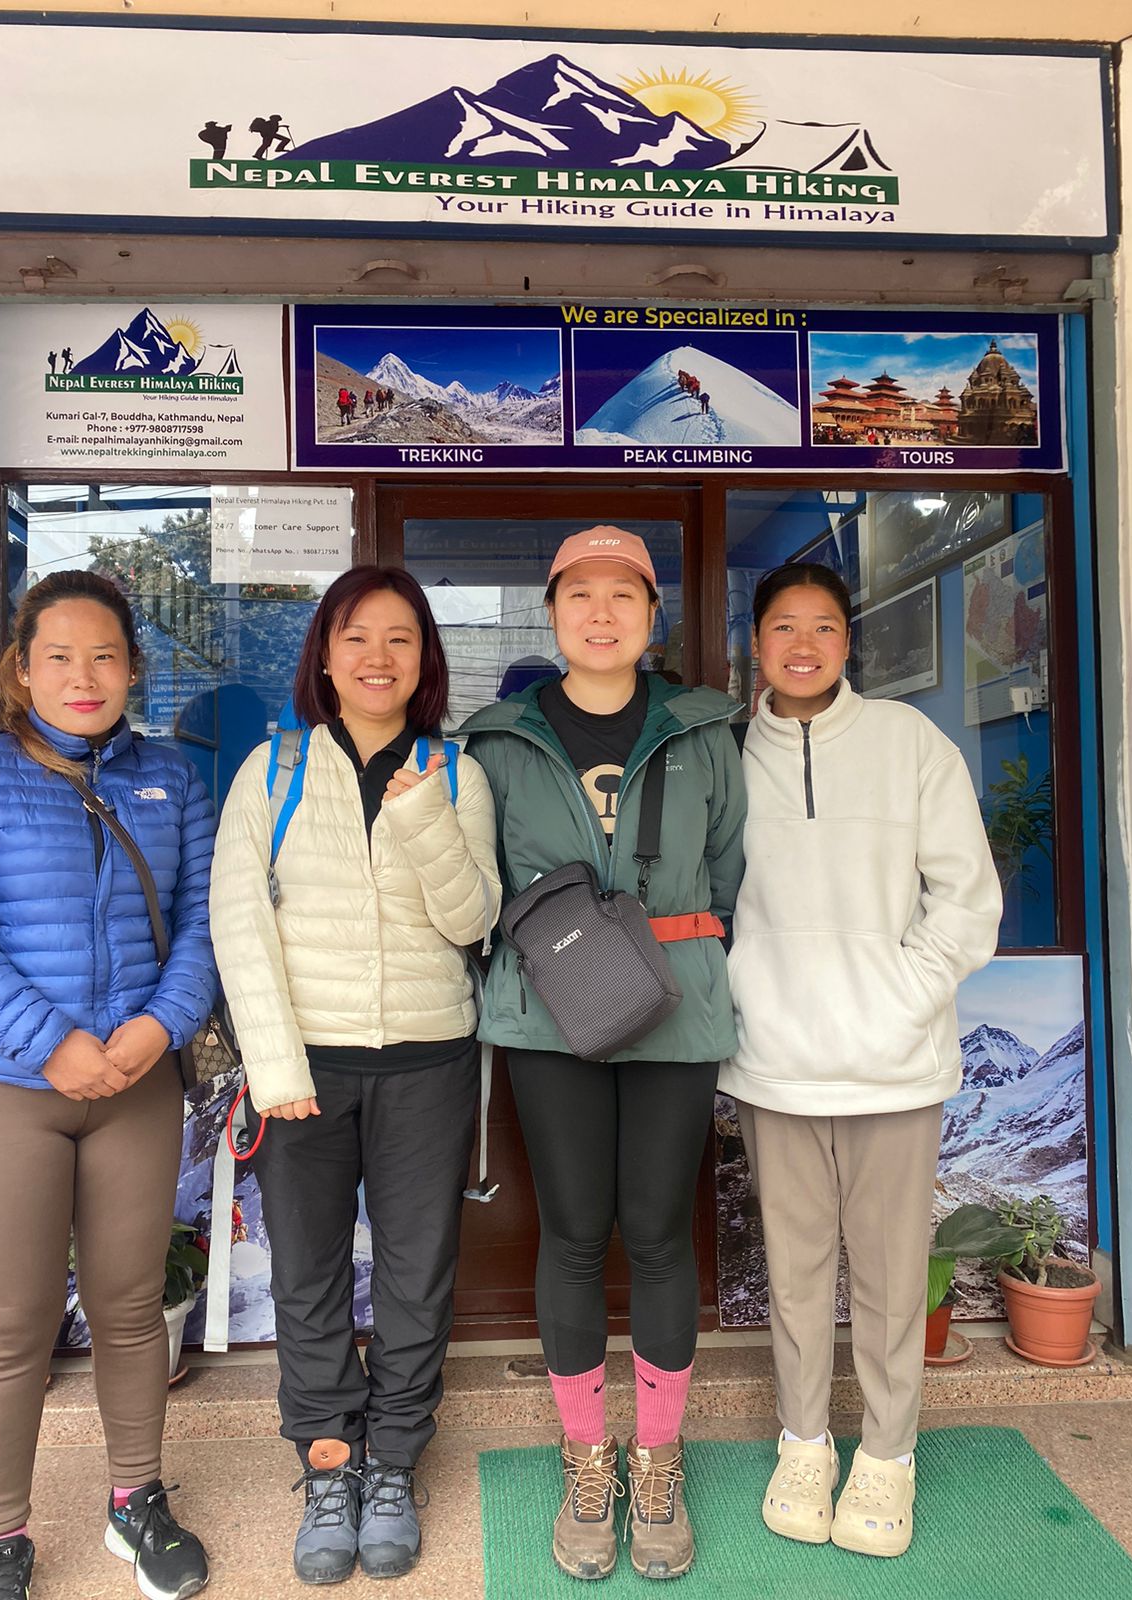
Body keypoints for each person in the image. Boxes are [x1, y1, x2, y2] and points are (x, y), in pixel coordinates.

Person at [462, 528, 746, 1582]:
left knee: (661, 1233)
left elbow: (730, 871)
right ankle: (590, 1457)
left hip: (678, 1008)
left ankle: (658, 1459)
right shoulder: (499, 741)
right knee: (576, 1233)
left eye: (621, 594)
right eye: (578, 594)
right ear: (552, 612)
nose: (600, 612)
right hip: (550, 1015)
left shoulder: (705, 729)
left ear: (652, 615)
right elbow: (479, 887)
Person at [210, 565, 501, 1585]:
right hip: (306, 1065)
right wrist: (275, 1061)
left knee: (418, 1268)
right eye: (356, 637)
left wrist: (424, 820)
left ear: (426, 658)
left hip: (430, 1057)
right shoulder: (273, 770)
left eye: (401, 639)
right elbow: (239, 922)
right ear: (324, 653)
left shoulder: (457, 773)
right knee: (310, 1268)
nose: (378, 657)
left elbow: (474, 921)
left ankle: (397, 1460)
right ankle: (329, 1461)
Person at [0, 569, 216, 1600]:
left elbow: (201, 923)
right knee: (10, 1324)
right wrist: (52, 1043)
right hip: (6, 1086)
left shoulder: (175, 779)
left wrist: (158, 1025)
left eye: (105, 654)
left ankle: (134, 1499)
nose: (83, 675)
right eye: (58, 655)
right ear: (20, 667)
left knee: (131, 1307)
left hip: (136, 1084)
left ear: (134, 667)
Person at [723, 563, 1001, 1560]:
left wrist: (902, 996)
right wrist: (739, 994)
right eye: (784, 626)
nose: (803, 643)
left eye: (825, 627)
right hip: (774, 1061)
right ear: (754, 644)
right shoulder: (722, 752)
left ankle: (887, 1455)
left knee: (888, 1275)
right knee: (794, 1277)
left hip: (894, 1063)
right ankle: (805, 1444)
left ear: (850, 643)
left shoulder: (908, 745)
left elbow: (967, 899)